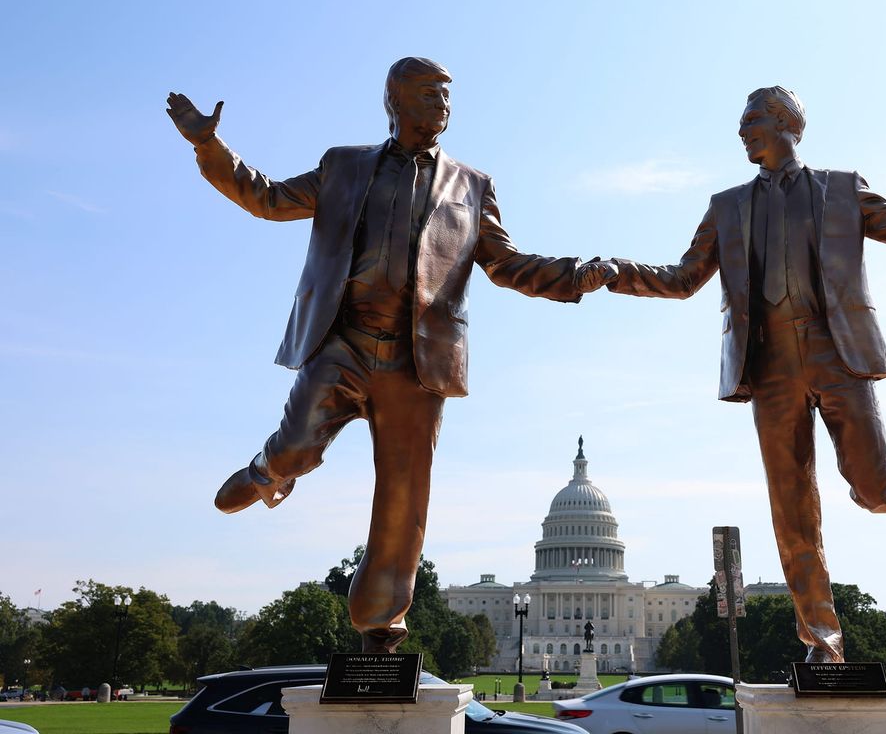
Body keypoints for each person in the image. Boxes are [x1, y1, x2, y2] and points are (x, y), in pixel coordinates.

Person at [578, 86, 886, 662]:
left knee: (874, 488)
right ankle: (823, 636)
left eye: (752, 120)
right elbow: (685, 277)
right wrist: (618, 271)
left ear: (789, 123)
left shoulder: (840, 188)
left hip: (838, 352)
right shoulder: (727, 206)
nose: (742, 132)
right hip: (770, 367)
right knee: (791, 505)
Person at [166, 57, 584, 653]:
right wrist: (210, 145)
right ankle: (270, 471)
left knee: (403, 497)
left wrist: (579, 276)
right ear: (395, 101)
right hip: (345, 341)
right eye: (430, 95)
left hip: (418, 363)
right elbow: (266, 198)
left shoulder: (472, 184)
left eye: (447, 96)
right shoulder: (345, 166)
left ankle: (380, 624)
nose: (443, 105)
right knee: (297, 442)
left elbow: (508, 265)